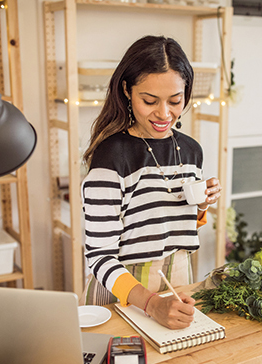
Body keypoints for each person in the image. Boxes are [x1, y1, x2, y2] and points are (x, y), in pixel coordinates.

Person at [80, 35, 222, 330]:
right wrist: (151, 303)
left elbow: (169, 224)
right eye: (149, 101)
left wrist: (201, 205)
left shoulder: (191, 150)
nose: (164, 114)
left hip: (179, 281)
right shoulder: (111, 156)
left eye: (175, 100)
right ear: (127, 91)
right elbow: (99, 256)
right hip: (123, 292)